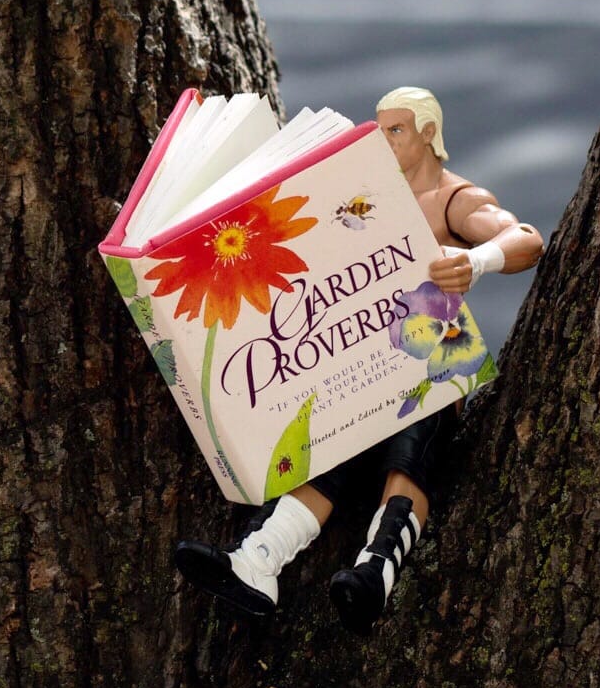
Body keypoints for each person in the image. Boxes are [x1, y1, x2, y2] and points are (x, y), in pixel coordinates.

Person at [170, 86, 545, 634]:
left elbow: (526, 238)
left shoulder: (452, 198)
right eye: (379, 127)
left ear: (428, 133)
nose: (383, 139)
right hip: (357, 367)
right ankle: (257, 561)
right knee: (327, 451)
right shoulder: (364, 192)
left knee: (411, 453)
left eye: (396, 130)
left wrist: (476, 259)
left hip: (428, 365)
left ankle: (377, 570)